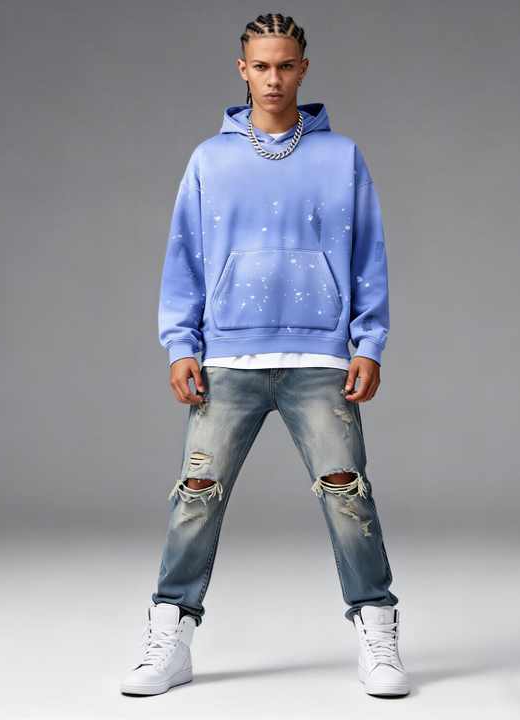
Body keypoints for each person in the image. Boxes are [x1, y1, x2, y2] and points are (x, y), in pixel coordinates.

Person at [120, 12, 410, 698]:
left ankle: (378, 633)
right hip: (228, 357)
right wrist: (180, 344)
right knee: (195, 497)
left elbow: (367, 254)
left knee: (348, 495)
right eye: (261, 66)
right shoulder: (209, 160)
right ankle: (170, 638)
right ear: (242, 70)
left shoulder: (341, 157)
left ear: (302, 69)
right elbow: (184, 257)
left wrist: (368, 341)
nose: (273, 78)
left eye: (285, 66)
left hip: (319, 358)